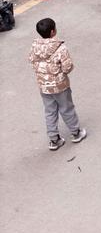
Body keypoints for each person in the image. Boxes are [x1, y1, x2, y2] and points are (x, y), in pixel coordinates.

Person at [29, 17, 87, 152]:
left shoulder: (34, 46)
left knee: (49, 111)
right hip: (60, 86)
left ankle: (54, 140)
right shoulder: (60, 48)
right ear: (53, 32)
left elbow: (31, 61)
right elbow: (68, 67)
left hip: (44, 86)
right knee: (66, 108)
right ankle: (76, 133)